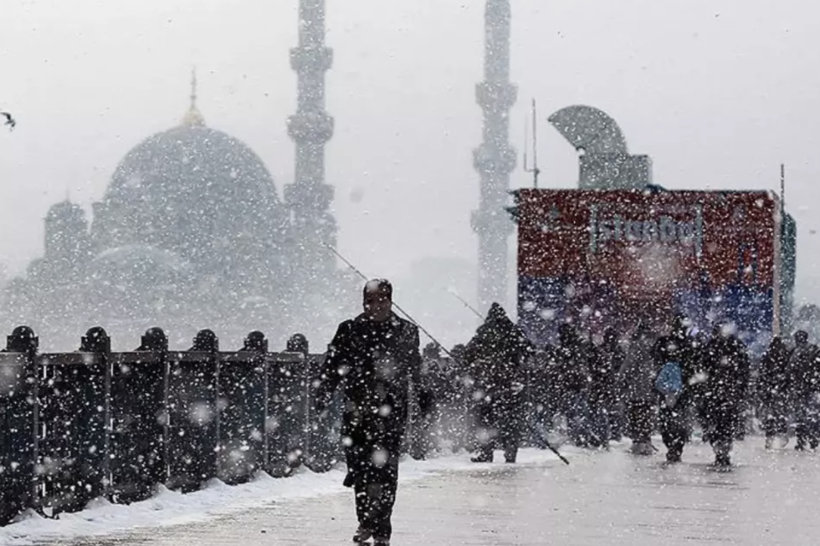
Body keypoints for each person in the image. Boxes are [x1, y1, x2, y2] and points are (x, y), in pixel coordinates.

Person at [315, 279, 431, 546]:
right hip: (356, 411)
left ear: (390, 301)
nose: (374, 306)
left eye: (380, 300)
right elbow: (333, 366)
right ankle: (367, 518)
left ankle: (381, 528)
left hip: (391, 412)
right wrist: (323, 393)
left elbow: (415, 367)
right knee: (360, 468)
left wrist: (424, 396)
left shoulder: (405, 331)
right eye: (369, 301)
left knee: (385, 471)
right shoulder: (349, 330)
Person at [463, 303, 533, 463]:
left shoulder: (483, 332)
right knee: (511, 419)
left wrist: (478, 364)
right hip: (510, 383)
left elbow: (468, 354)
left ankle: (486, 452)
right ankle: (510, 451)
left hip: (487, 384)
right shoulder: (515, 332)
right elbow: (530, 350)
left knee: (486, 418)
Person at [700, 326, 750, 466]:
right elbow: (744, 369)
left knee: (718, 422)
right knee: (725, 422)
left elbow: (703, 367)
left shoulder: (713, 347)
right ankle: (723, 448)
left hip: (719, 392)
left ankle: (721, 448)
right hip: (725, 392)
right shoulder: (733, 346)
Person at [653, 314, 697, 463]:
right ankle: (676, 446)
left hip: (667, 389)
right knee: (678, 420)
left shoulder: (664, 342)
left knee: (667, 419)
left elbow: (655, 360)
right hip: (682, 389)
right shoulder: (689, 344)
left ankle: (673, 445)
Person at [619, 322, 657, 455]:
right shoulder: (654, 347)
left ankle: (638, 442)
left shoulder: (636, 347)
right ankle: (646, 441)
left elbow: (627, 367)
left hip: (636, 390)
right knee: (646, 415)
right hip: (650, 389)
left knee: (635, 416)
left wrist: (621, 380)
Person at [757, 336, 791, 448]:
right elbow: (789, 373)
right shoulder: (786, 355)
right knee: (780, 414)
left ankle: (770, 437)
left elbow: (762, 373)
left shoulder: (767, 356)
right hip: (780, 389)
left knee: (770, 415)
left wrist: (763, 387)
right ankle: (781, 435)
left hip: (769, 389)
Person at [788, 330, 820, 451]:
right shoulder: (815, 350)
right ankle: (813, 438)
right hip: (813, 388)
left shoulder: (795, 352)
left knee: (800, 415)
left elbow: (789, 370)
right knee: (813, 414)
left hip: (800, 388)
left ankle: (801, 440)